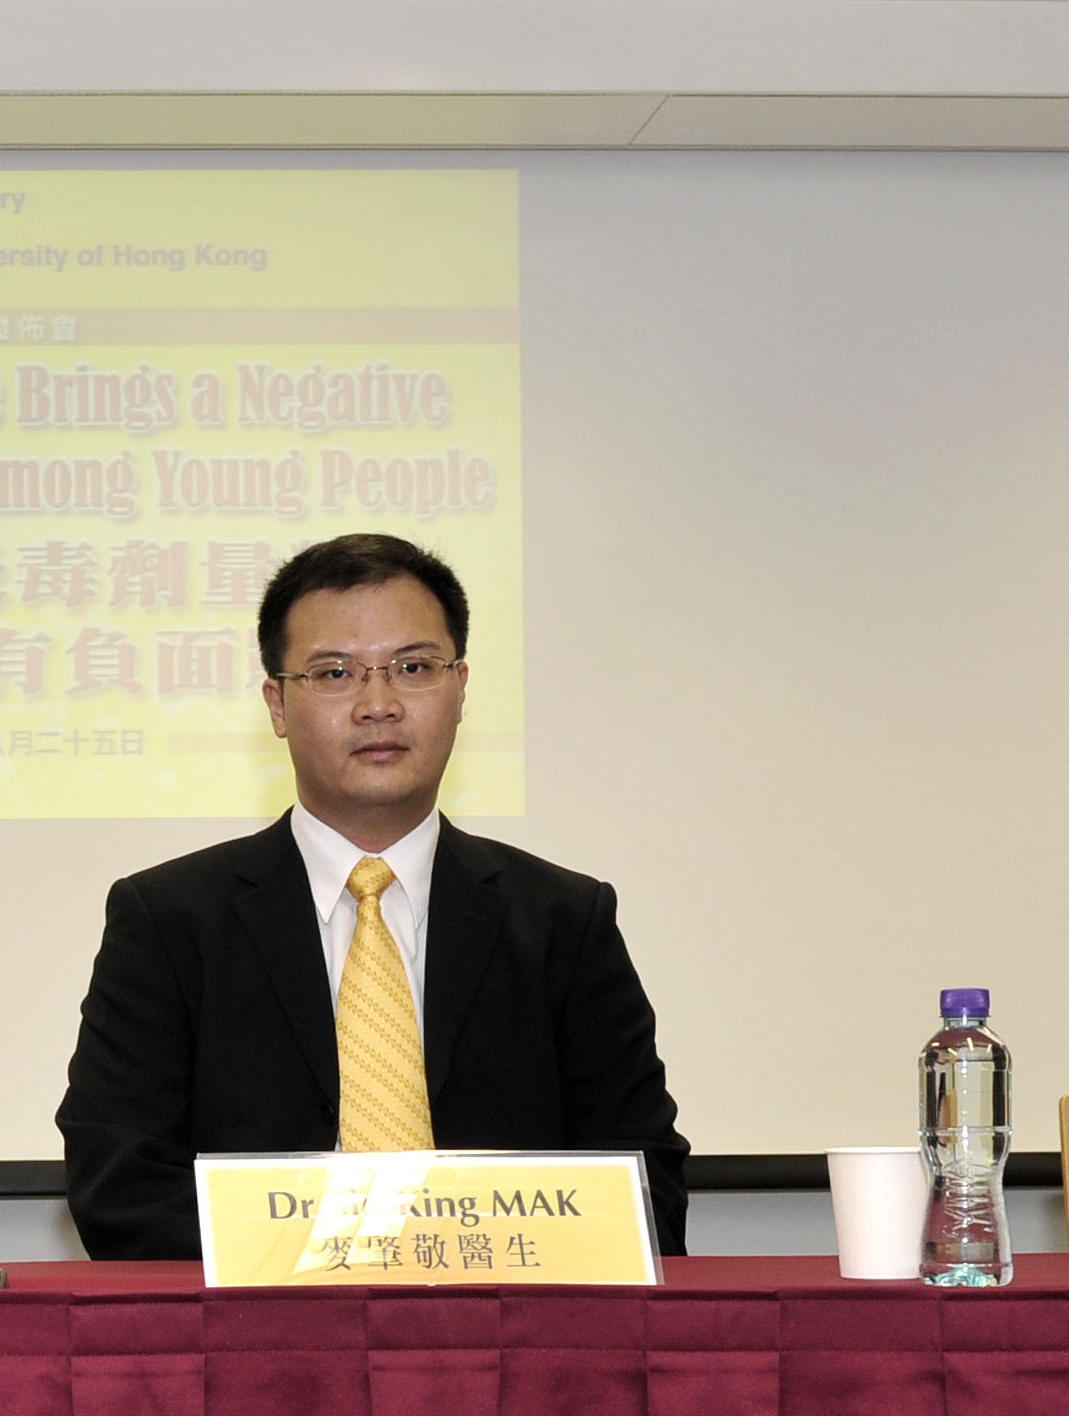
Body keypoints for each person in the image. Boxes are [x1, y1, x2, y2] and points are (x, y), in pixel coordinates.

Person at [56, 531, 689, 1261]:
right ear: (278, 704)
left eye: (414, 667)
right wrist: (320, 1274)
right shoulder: (168, 923)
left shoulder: (564, 923)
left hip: (507, 1349)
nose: (378, 704)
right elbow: (120, 1186)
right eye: (334, 674)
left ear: (460, 689)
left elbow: (644, 1186)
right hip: (256, 1356)